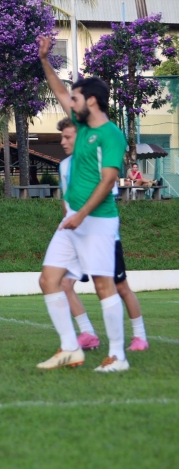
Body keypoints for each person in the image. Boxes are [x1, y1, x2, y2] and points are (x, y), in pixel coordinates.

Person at [36, 36, 128, 373]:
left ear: (91, 100)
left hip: (98, 221)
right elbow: (59, 90)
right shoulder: (79, 123)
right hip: (74, 220)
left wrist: (82, 215)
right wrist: (45, 59)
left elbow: (108, 181)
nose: (69, 102)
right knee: (48, 280)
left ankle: (118, 355)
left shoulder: (112, 134)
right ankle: (70, 348)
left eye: (75, 98)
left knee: (104, 286)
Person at [55, 117, 149, 352]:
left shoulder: (98, 162)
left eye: (68, 136)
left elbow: (106, 195)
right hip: (76, 236)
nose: (62, 141)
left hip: (102, 237)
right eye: (62, 137)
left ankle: (140, 336)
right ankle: (87, 334)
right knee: (64, 284)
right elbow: (66, 200)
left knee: (119, 287)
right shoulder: (64, 166)